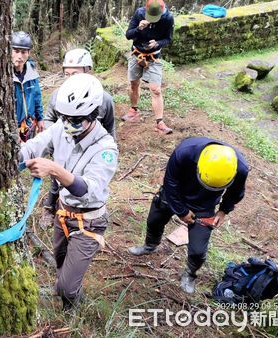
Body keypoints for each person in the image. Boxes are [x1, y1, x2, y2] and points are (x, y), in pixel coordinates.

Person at [20, 73, 118, 310]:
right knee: (61, 262)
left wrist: (53, 168)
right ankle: (63, 288)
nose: (67, 125)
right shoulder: (61, 129)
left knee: (68, 285)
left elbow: (87, 189)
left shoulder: (106, 149)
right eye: (64, 118)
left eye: (76, 120)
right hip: (63, 213)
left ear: (93, 116)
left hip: (89, 222)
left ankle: (71, 305)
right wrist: (16, 159)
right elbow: (34, 145)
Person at [128, 137, 249, 294]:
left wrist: (223, 210)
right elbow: (170, 183)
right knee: (155, 220)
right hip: (175, 193)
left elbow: (235, 193)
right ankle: (150, 246)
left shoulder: (240, 169)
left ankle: (190, 274)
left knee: (198, 250)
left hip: (205, 204)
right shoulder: (184, 152)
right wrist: (182, 211)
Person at [42, 48, 116, 214]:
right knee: (57, 179)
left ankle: (88, 210)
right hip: (64, 146)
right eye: (66, 74)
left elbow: (110, 127)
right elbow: (49, 119)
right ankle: (49, 207)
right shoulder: (57, 95)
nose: (69, 79)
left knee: (83, 181)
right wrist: (55, 140)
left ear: (88, 71)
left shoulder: (104, 99)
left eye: (74, 74)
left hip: (89, 150)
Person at [122, 0, 174, 135]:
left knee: (156, 89)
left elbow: (168, 38)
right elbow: (128, 35)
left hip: (154, 57)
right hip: (136, 54)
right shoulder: (139, 14)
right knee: (134, 84)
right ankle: (133, 110)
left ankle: (160, 123)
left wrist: (157, 43)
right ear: (146, 10)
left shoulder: (168, 18)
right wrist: (139, 28)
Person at [11, 31, 44, 142]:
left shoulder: (32, 72)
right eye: (16, 51)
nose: (20, 56)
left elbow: (37, 97)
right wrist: (13, 130)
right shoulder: (4, 76)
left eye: (24, 52)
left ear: (28, 53)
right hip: (14, 128)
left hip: (30, 125)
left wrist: (40, 119)